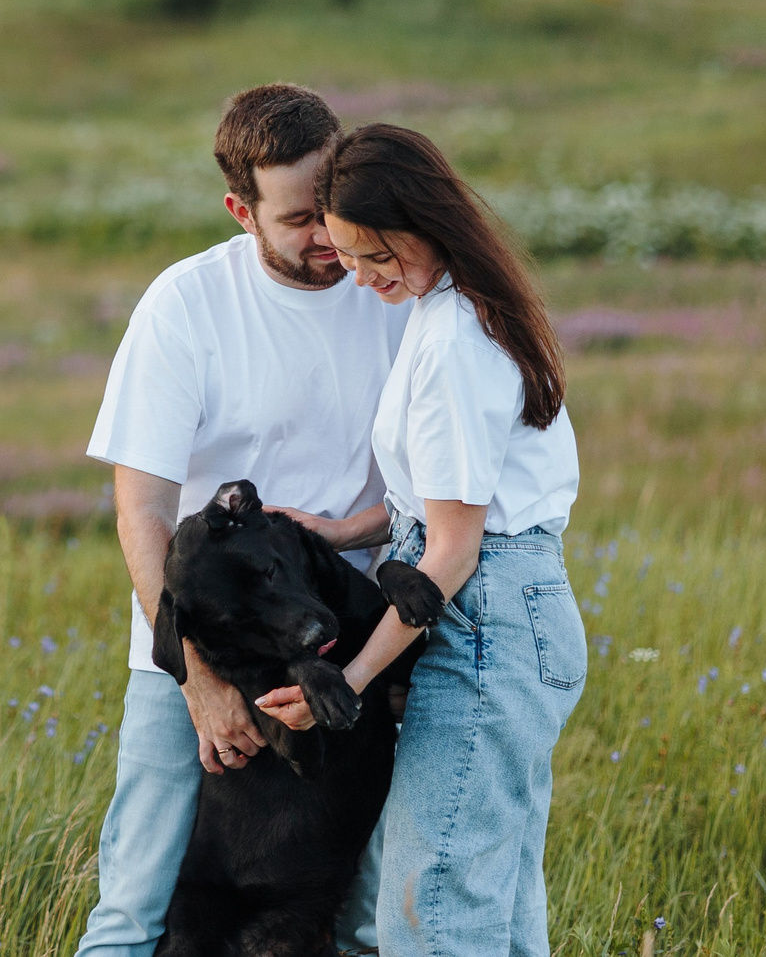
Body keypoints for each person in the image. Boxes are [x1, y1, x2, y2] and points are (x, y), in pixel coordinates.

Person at [76, 84, 411, 957]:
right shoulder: (185, 305)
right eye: (299, 218)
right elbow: (141, 510)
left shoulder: (395, 293)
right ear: (241, 210)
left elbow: (431, 491)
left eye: (331, 207)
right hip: (199, 644)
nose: (327, 238)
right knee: (134, 911)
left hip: (355, 649)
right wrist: (195, 679)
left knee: (369, 917)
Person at [256, 122, 585, 957]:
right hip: (507, 611)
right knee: (496, 911)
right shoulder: (456, 311)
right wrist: (341, 530)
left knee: (429, 911)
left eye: (375, 257)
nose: (363, 280)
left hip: (487, 623)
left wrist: (350, 682)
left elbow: (454, 551)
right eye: (350, 258)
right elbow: (438, 508)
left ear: (425, 223)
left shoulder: (455, 346)